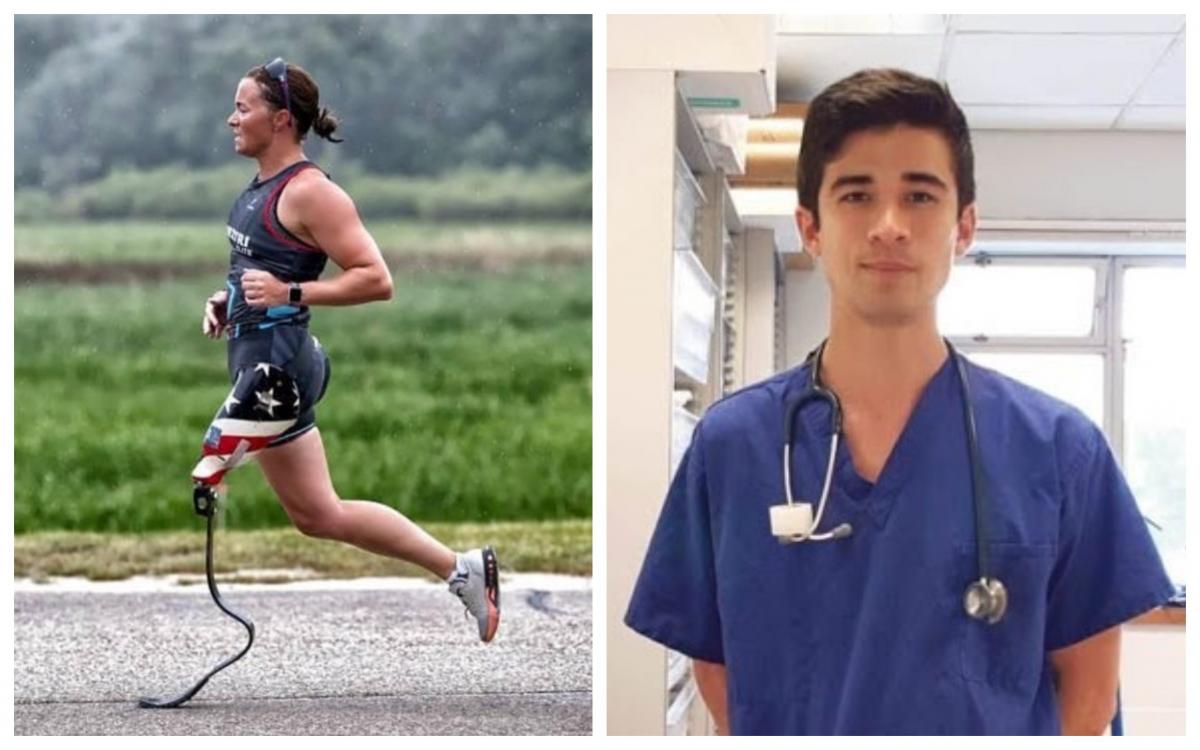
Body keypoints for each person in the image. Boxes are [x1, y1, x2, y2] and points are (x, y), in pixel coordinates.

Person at [624, 68, 1174, 735]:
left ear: (963, 225)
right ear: (811, 226)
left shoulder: (1059, 450)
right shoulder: (733, 446)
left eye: (919, 195)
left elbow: (1089, 690)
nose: (888, 226)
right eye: (856, 195)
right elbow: (716, 663)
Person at [194, 58, 499, 643]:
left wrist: (291, 292)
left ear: (281, 119)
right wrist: (227, 300)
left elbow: (376, 279)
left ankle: (224, 449)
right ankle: (461, 569)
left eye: (243, 107)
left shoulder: (312, 193)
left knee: (212, 462)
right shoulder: (260, 188)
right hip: (261, 359)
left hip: (274, 375)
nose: (232, 118)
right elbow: (261, 272)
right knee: (318, 515)